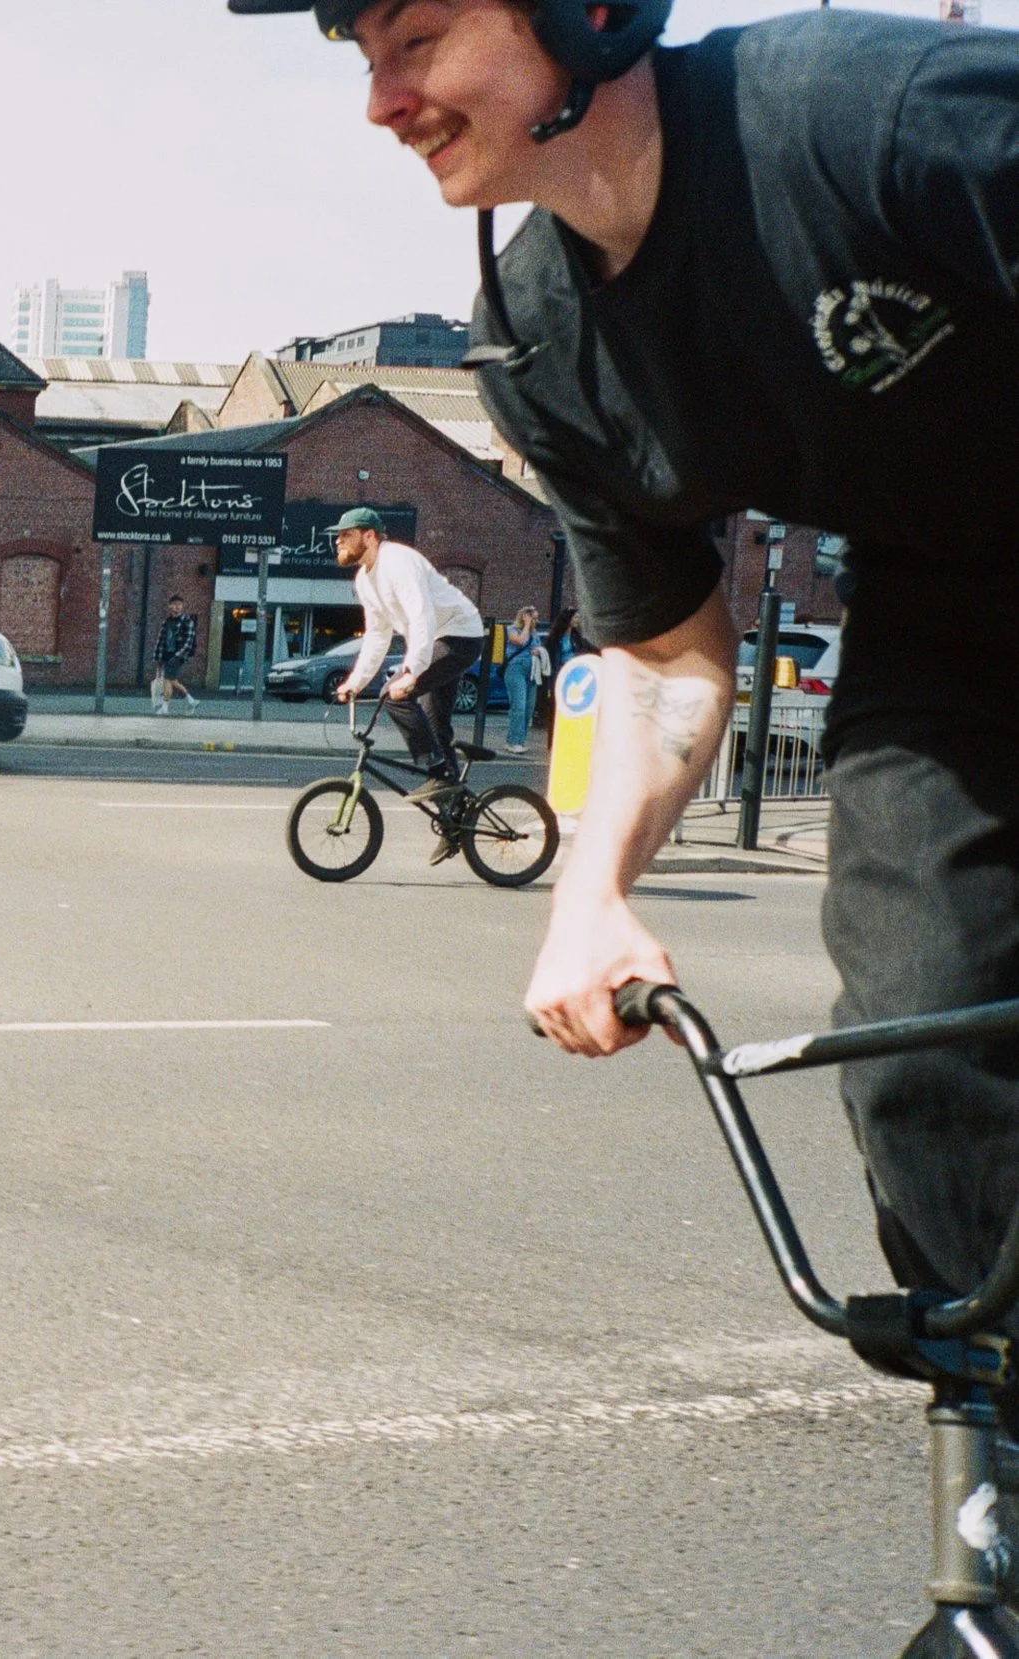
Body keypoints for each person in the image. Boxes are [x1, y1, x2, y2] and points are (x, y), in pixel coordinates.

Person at [232, 0, 1019, 1336]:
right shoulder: (536, 343)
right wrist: (588, 894)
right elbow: (664, 654)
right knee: (918, 1061)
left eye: (416, 42)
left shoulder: (861, 120)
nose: (381, 102)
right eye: (363, 62)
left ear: (585, 12)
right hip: (947, 624)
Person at [329, 507, 488, 860]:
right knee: (434, 724)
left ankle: (437, 773)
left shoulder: (398, 562)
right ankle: (455, 819)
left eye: (345, 533)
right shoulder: (364, 580)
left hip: (459, 636)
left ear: (369, 536)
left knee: (397, 696)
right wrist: (355, 681)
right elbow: (377, 635)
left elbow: (422, 617)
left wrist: (411, 672)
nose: (337, 539)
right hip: (436, 640)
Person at [150, 597, 201, 714]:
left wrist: (178, 655)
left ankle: (165, 707)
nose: (177, 607)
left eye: (180, 604)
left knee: (168, 679)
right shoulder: (166, 622)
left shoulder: (187, 621)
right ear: (170, 606)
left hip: (178, 655)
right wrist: (158, 657)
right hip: (166, 654)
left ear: (182, 606)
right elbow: (160, 640)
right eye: (174, 604)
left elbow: (189, 641)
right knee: (172, 680)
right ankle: (191, 701)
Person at [502, 605, 541, 753]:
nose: (536, 621)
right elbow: (519, 641)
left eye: (537, 619)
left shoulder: (535, 634)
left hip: (531, 672)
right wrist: (526, 626)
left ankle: (520, 740)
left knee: (529, 708)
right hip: (516, 669)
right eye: (533, 618)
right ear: (525, 617)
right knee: (519, 706)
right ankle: (512, 742)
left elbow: (539, 648)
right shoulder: (512, 630)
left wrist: (538, 651)